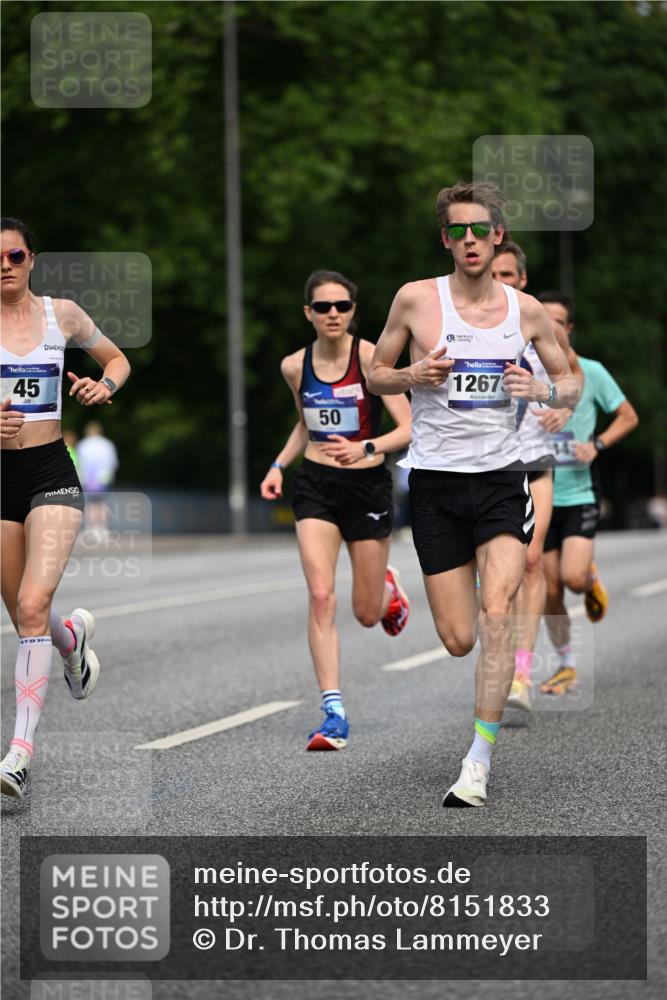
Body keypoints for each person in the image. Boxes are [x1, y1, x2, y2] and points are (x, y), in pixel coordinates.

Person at [367, 182, 580, 807]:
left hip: (501, 479)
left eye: (480, 230)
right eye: (458, 231)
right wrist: (411, 375)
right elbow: (375, 374)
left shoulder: (527, 311)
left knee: (497, 617)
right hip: (434, 484)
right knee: (459, 637)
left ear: (496, 237)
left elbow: (570, 383)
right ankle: (476, 584)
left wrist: (537, 391)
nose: (469, 241)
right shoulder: (415, 300)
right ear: (445, 239)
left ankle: (477, 761)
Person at [0, 217, 131, 799]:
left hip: (51, 472)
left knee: (31, 602)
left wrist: (106, 386)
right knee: (28, 616)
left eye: (15, 255)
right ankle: (72, 640)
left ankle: (18, 757)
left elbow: (117, 361)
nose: (5, 266)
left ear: (32, 259)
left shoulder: (63, 314)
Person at [260, 270, 412, 751]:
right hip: (316, 485)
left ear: (353, 311)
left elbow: (408, 427)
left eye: (342, 306)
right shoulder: (293, 366)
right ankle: (333, 711)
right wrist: (278, 465)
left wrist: (367, 447)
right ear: (308, 312)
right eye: (323, 307)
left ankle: (387, 589)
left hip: (366, 485)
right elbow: (305, 426)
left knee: (366, 614)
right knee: (321, 596)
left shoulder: (370, 359)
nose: (332, 314)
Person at [491, 242, 582, 712]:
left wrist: (559, 407)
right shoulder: (470, 324)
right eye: (495, 271)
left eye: (509, 273)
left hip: (534, 460)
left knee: (531, 561)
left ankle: (521, 671)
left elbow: (572, 378)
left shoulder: (535, 323)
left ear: (522, 279)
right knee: (491, 575)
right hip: (484, 464)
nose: (501, 279)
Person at [538, 292, 638, 694]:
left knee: (573, 579)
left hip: (579, 493)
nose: (552, 328)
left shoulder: (592, 372)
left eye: (559, 321)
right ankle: (565, 665)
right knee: (548, 590)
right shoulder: (530, 372)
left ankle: (589, 578)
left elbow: (628, 416)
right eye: (544, 320)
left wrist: (596, 445)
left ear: (570, 327)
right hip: (540, 495)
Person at [76, 420, 119, 534]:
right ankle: (102, 528)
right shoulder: (107, 444)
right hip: (103, 477)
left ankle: (91, 528)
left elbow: (79, 462)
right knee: (102, 503)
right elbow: (113, 462)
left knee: (90, 504)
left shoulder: (83, 444)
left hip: (87, 478)